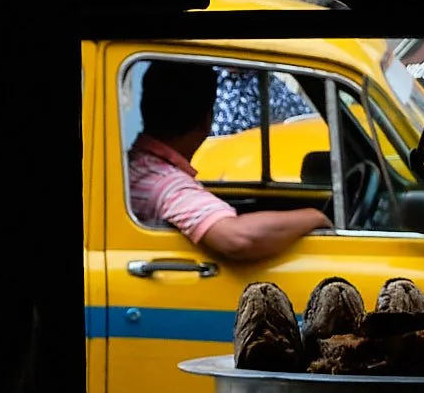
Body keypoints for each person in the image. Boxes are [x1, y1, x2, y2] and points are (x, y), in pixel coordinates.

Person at [128, 60, 327, 263]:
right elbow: (237, 238)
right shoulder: (162, 182)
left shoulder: (136, 164)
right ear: (208, 120)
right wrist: (315, 217)